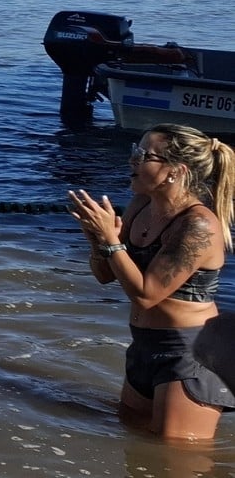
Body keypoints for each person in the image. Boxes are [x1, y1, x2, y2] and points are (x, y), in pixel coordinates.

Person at [68, 123, 235, 439]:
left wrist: (111, 241)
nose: (132, 160)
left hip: (190, 354)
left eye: (143, 155)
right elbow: (106, 275)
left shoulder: (199, 226)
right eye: (135, 151)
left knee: (178, 463)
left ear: (175, 171)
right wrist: (97, 241)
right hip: (145, 346)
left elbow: (146, 295)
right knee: (138, 450)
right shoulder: (141, 204)